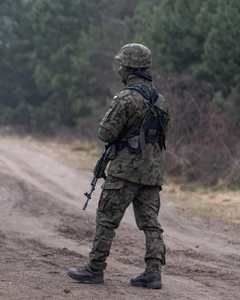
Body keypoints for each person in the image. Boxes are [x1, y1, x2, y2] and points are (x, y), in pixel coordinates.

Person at [67, 43, 171, 289]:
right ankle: (153, 272)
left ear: (130, 67)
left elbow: (106, 133)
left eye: (121, 65)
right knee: (151, 223)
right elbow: (163, 135)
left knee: (106, 219)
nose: (119, 69)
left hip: (125, 171)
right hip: (152, 172)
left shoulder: (126, 98)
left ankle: (95, 269)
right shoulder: (161, 100)